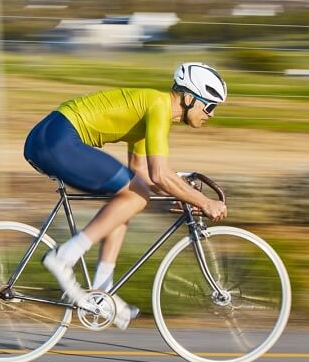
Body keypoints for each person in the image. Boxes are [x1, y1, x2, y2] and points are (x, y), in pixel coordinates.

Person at [23, 62, 228, 328]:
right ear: (189, 98)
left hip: (51, 137)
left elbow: (141, 172)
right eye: (210, 106)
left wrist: (183, 192)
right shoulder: (158, 107)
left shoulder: (153, 113)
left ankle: (102, 292)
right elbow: (159, 175)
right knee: (136, 196)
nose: (211, 114)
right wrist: (204, 202)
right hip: (58, 139)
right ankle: (64, 256)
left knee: (131, 196)